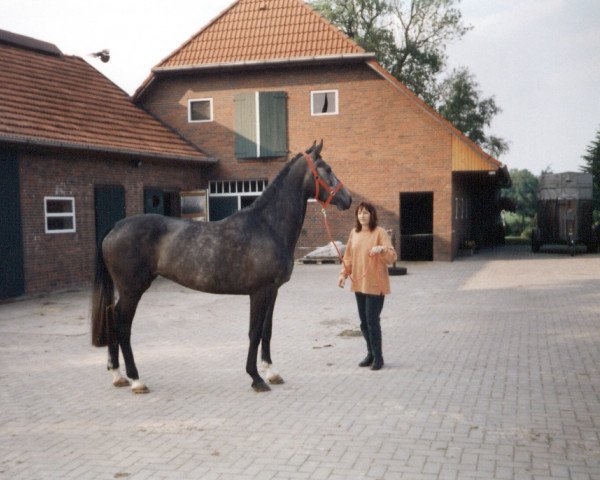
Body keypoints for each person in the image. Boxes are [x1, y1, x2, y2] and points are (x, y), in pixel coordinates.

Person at [338, 201, 397, 370]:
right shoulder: (354, 233)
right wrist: (343, 274)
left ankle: (378, 357)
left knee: (372, 321)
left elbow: (392, 257)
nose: (362, 216)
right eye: (359, 213)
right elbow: (348, 257)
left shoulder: (380, 233)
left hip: (375, 283)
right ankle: (370, 353)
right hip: (359, 283)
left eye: (365, 212)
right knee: (364, 322)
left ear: (372, 215)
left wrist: (382, 249)